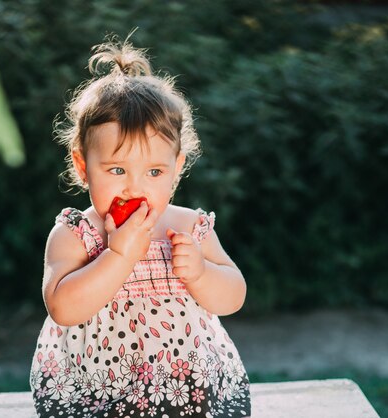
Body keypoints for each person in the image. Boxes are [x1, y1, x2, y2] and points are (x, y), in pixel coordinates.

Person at [30, 36, 252, 418]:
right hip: (98, 393)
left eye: (154, 171)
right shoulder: (75, 234)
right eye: (116, 170)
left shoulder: (188, 227)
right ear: (83, 166)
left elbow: (233, 297)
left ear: (177, 166)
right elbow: (63, 309)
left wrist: (200, 273)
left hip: (187, 392)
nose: (135, 187)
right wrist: (117, 255)